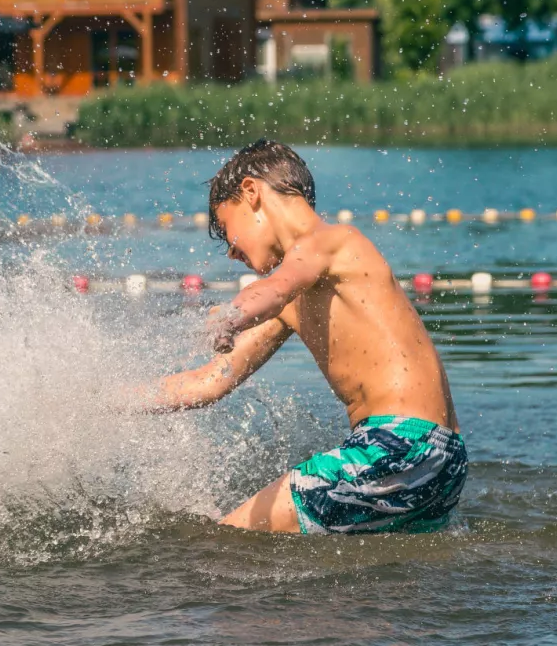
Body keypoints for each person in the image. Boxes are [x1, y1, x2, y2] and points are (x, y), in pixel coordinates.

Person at [138, 140, 467, 535]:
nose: (230, 252)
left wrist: (230, 317)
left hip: (398, 445)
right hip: (442, 461)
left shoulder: (333, 242)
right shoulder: (295, 298)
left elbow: (274, 287)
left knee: (225, 541)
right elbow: (207, 383)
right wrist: (95, 402)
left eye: (226, 229)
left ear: (251, 192)